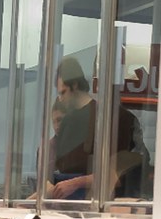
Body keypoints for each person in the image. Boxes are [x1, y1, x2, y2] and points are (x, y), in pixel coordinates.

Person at [50, 56, 144, 200]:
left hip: (102, 207)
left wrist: (77, 183)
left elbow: (120, 174)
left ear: (74, 85)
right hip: (66, 208)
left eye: (63, 92)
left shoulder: (114, 118)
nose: (61, 99)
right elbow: (55, 173)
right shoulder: (67, 123)